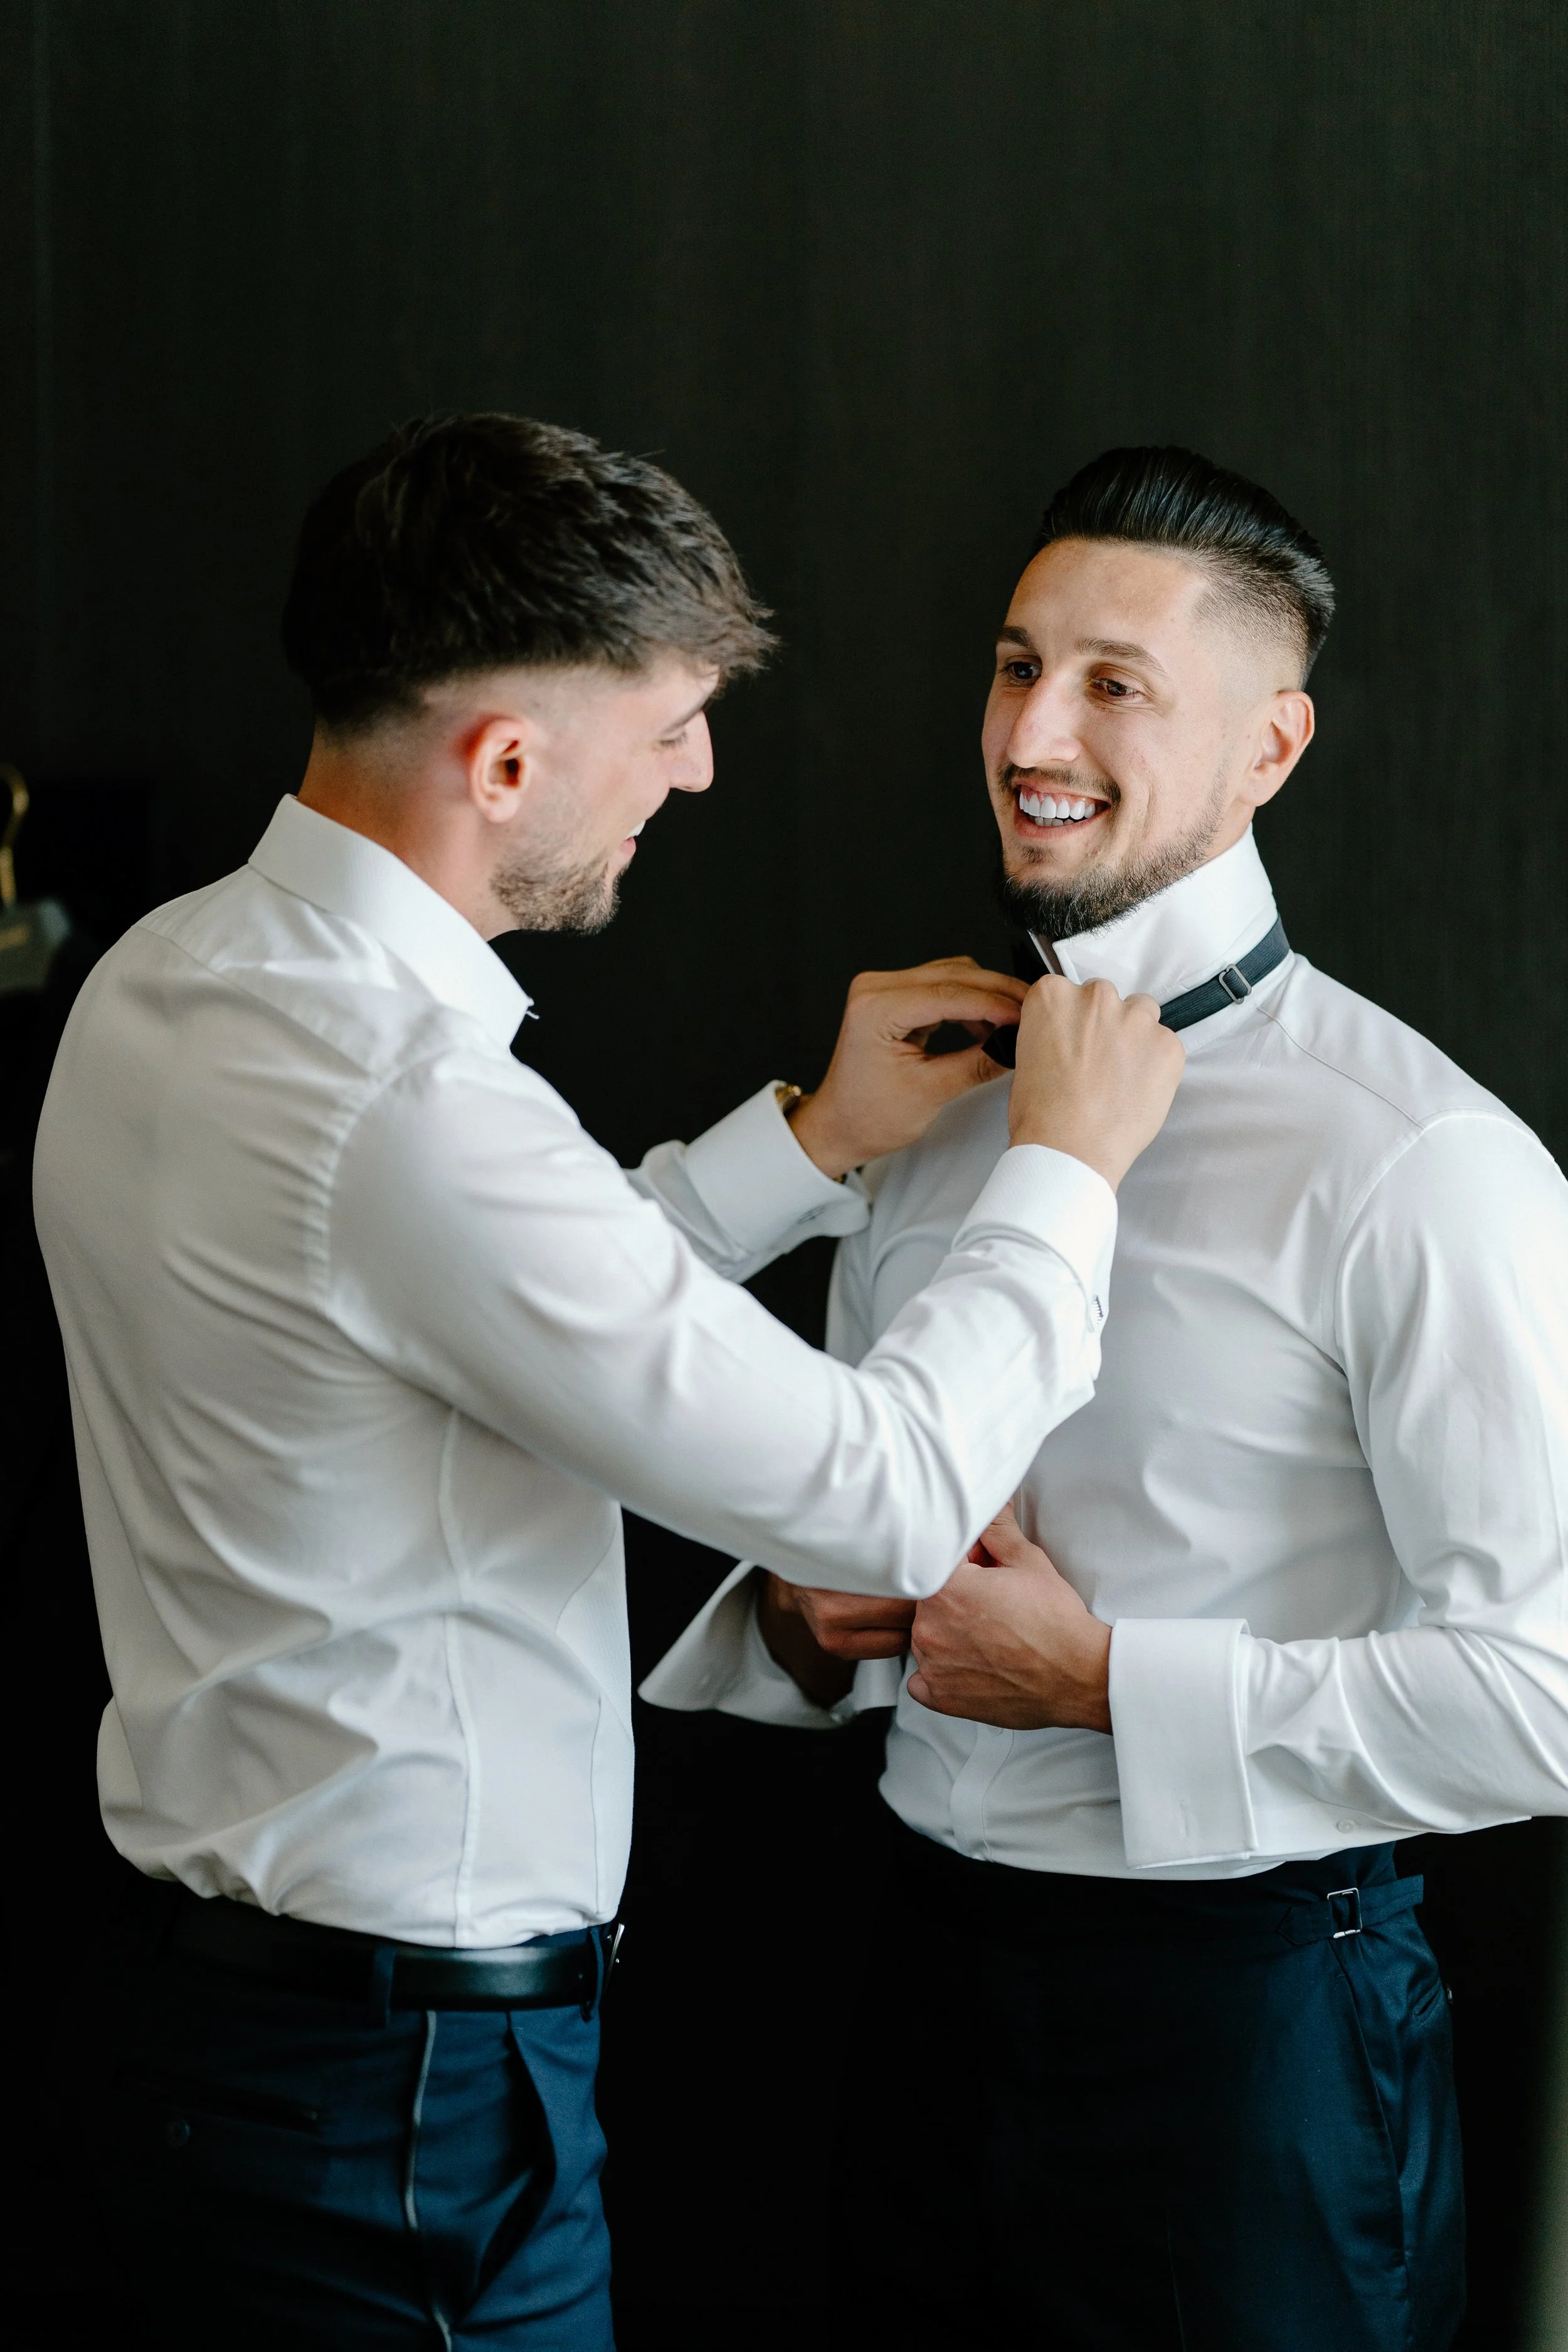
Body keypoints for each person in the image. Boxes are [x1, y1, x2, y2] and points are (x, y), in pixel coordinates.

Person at [31, 413, 1182, 2352]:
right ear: (503, 762)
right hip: (400, 2109)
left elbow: (454, 1298)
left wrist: (810, 1140)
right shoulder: (412, 1105)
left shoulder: (165, 975)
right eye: (664, 727)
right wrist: (1066, 1172)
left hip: (212, 2040)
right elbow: (880, 1487)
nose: (698, 768)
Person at [644, 445, 1568, 2352]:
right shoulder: (922, 1094)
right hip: (906, 1973)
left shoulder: (1420, 1161)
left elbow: (1549, 1698)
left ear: (1270, 748)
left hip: (1250, 2033)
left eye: (1111, 680)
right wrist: (813, 1619)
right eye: (1009, 663)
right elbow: (853, 1477)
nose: (1028, 730)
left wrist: (1099, 1685)